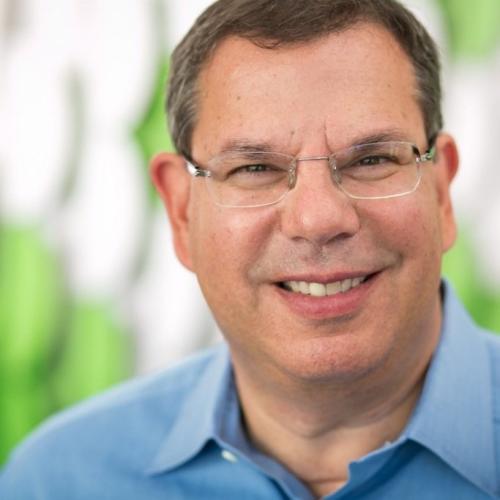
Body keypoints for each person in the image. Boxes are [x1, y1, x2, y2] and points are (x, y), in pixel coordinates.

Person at [1, 0, 499, 498]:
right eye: (254, 169)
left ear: (441, 193)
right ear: (181, 210)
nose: (318, 220)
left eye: (371, 160)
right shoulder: (57, 481)